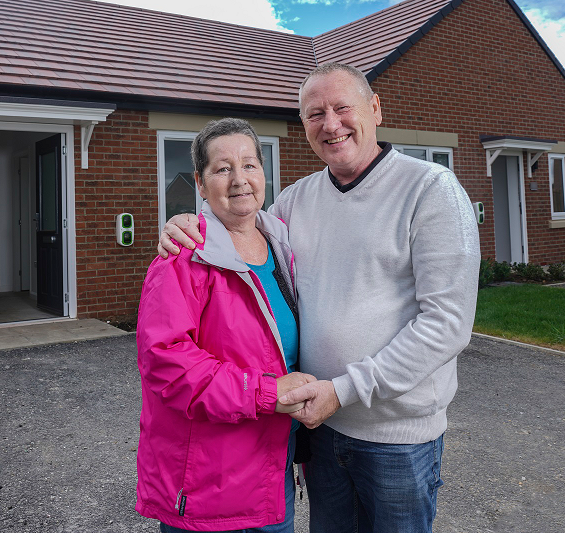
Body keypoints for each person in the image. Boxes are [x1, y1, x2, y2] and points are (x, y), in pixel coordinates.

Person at [158, 62, 480, 533]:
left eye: (342, 107)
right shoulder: (295, 201)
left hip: (395, 441)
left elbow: (447, 323)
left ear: (375, 108)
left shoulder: (430, 190)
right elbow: (238, 223)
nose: (330, 124)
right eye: (314, 114)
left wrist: (342, 391)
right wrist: (186, 223)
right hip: (318, 429)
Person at [136, 118, 315, 532]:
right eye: (222, 169)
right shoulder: (183, 256)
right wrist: (267, 392)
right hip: (209, 486)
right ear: (200, 184)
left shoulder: (281, 245)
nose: (240, 180)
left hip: (274, 475)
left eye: (250, 165)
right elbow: (167, 363)